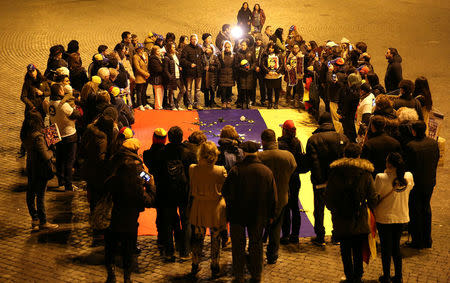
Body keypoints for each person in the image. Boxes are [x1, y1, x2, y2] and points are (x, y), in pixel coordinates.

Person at [222, 141, 277, 283]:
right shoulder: (266, 172)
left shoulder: (236, 170)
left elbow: (226, 192)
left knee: (238, 245)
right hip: (258, 214)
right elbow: (272, 196)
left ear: (244, 153)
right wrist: (271, 215)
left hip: (237, 215)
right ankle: (256, 274)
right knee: (256, 244)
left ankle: (239, 274)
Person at [325, 143, 379, 283]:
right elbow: (372, 197)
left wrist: (334, 210)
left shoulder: (335, 172)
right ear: (359, 155)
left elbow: (329, 196)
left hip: (340, 217)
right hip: (359, 216)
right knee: (357, 247)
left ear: (344, 154)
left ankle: (349, 275)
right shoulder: (365, 173)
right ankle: (358, 275)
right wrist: (369, 209)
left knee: (345, 248)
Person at [104, 137, 155, 283]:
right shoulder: (136, 165)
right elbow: (146, 179)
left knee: (111, 246)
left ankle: (111, 275)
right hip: (130, 212)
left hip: (114, 209)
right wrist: (151, 186)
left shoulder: (114, 160)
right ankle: (127, 278)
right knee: (128, 247)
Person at [306, 112, 349, 245]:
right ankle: (336, 235)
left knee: (319, 210)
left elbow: (313, 162)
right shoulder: (343, 138)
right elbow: (345, 161)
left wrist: (319, 180)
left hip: (320, 181)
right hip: (338, 180)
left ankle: (320, 237)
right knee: (337, 208)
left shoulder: (313, 139)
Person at [189, 141, 228, 278]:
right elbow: (225, 187)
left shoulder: (193, 168)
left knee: (198, 236)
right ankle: (214, 264)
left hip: (199, 205)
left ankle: (195, 263)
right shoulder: (220, 170)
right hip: (215, 206)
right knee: (215, 237)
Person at [374, 153, 414, 283]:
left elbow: (376, 196)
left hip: (384, 218)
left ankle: (386, 276)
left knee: (386, 248)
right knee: (396, 247)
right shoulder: (408, 177)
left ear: (389, 164)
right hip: (401, 216)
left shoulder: (381, 177)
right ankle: (398, 276)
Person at [258, 129, 296, 264]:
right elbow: (293, 169)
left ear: (263, 141)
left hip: (263, 198)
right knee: (276, 228)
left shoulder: (260, 157)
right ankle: (272, 255)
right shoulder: (288, 156)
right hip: (282, 196)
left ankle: (256, 252)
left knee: (259, 227)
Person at [159, 126, 197, 261]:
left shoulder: (162, 152)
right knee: (186, 221)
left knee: (168, 222)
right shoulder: (189, 153)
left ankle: (169, 251)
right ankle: (185, 252)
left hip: (167, 191)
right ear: (181, 138)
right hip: (184, 191)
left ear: (169, 137)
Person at [20, 110, 58, 231]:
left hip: (31, 166)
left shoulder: (25, 133)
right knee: (40, 195)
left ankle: (34, 217)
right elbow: (45, 155)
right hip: (40, 168)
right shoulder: (38, 137)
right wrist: (52, 150)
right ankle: (43, 221)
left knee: (30, 192)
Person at [404, 121, 440, 249]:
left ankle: (417, 240)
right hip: (429, 181)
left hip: (416, 183)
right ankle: (427, 239)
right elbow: (436, 160)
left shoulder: (411, 146)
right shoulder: (433, 143)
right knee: (426, 208)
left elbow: (408, 166)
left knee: (415, 211)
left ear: (414, 131)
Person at [278, 120, 308, 244]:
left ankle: (285, 235)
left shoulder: (280, 144)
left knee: (285, 206)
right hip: (295, 177)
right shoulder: (298, 142)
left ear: (284, 130)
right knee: (295, 206)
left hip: (285, 177)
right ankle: (295, 235)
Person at [48, 83, 81, 191]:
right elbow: (76, 114)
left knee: (60, 159)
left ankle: (61, 181)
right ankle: (68, 185)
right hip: (68, 134)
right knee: (69, 160)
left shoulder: (49, 103)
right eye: (62, 89)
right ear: (59, 92)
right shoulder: (63, 105)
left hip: (55, 133)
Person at [142, 128, 167, 253]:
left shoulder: (147, 154)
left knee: (160, 215)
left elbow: (143, 173)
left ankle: (161, 239)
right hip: (167, 186)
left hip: (155, 186)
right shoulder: (168, 153)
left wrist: (147, 180)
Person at [180, 34, 205, 110]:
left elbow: (202, 59)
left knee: (198, 89)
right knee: (188, 89)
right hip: (189, 72)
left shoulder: (199, 48)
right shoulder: (186, 48)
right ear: (190, 40)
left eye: (196, 39)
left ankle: (197, 103)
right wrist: (190, 64)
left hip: (198, 72)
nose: (194, 40)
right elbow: (182, 60)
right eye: (193, 39)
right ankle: (189, 103)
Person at [164, 42, 187, 110]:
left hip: (178, 75)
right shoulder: (167, 57)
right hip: (172, 76)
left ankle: (176, 104)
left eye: (174, 47)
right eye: (173, 47)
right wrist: (170, 76)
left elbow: (177, 63)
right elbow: (166, 69)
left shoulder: (176, 55)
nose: (174, 48)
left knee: (183, 90)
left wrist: (180, 67)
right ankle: (172, 105)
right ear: (169, 48)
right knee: (171, 92)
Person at [262, 42, 284, 109]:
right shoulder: (265, 55)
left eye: (272, 48)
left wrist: (277, 71)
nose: (270, 49)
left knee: (277, 90)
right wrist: (268, 71)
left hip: (277, 76)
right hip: (269, 76)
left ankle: (276, 103)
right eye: (269, 47)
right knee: (269, 90)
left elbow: (281, 64)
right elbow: (263, 64)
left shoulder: (279, 55)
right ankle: (270, 102)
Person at [235, 39, 255, 109]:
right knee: (242, 89)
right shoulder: (238, 53)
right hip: (241, 74)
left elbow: (254, 62)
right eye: (241, 45)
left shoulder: (251, 53)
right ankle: (242, 102)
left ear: (247, 45)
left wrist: (250, 69)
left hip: (249, 74)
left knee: (249, 89)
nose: (242, 47)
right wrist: (242, 69)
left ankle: (248, 101)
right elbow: (236, 64)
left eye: (244, 45)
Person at [284, 42, 305, 108]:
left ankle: (296, 101)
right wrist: (288, 66)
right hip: (290, 74)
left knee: (297, 88)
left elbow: (303, 65)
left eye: (297, 48)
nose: (295, 49)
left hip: (298, 74)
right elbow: (286, 63)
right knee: (289, 87)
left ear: (299, 48)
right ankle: (287, 99)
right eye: (294, 48)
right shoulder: (289, 54)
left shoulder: (301, 55)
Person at [132, 43, 151, 110]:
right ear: (137, 50)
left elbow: (147, 64)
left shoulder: (145, 54)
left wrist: (147, 73)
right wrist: (145, 74)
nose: (141, 50)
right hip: (140, 76)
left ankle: (144, 103)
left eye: (142, 48)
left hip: (146, 75)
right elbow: (137, 68)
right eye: (140, 49)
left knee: (144, 91)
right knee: (139, 91)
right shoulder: (135, 57)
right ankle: (140, 104)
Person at [217, 41, 235, 109]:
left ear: (230, 47)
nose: (227, 48)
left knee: (229, 89)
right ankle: (224, 102)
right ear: (224, 47)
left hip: (230, 74)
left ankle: (228, 102)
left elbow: (234, 65)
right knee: (223, 89)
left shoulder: (233, 55)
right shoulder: (221, 55)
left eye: (228, 47)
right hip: (223, 74)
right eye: (226, 47)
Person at [201, 44, 219, 108]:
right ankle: (206, 103)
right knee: (206, 90)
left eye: (208, 48)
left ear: (211, 49)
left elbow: (218, 65)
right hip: (205, 75)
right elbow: (200, 65)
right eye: (206, 48)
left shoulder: (214, 57)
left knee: (212, 90)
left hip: (213, 76)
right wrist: (204, 68)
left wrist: (211, 67)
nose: (207, 49)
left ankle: (212, 102)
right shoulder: (202, 56)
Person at [148, 45, 165, 110]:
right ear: (154, 52)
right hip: (156, 78)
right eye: (157, 51)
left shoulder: (159, 57)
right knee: (158, 93)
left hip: (160, 78)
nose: (159, 52)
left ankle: (160, 105)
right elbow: (158, 69)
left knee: (161, 92)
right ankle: (158, 106)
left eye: (159, 50)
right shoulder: (153, 59)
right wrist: (164, 68)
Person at [253, 34, 266, 106]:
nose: (258, 41)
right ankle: (253, 100)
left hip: (261, 70)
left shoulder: (264, 49)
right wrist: (255, 67)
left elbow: (264, 60)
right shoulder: (252, 48)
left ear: (261, 41)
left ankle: (263, 100)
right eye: (257, 40)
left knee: (262, 86)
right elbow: (252, 59)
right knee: (253, 86)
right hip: (254, 70)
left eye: (259, 40)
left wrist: (260, 67)